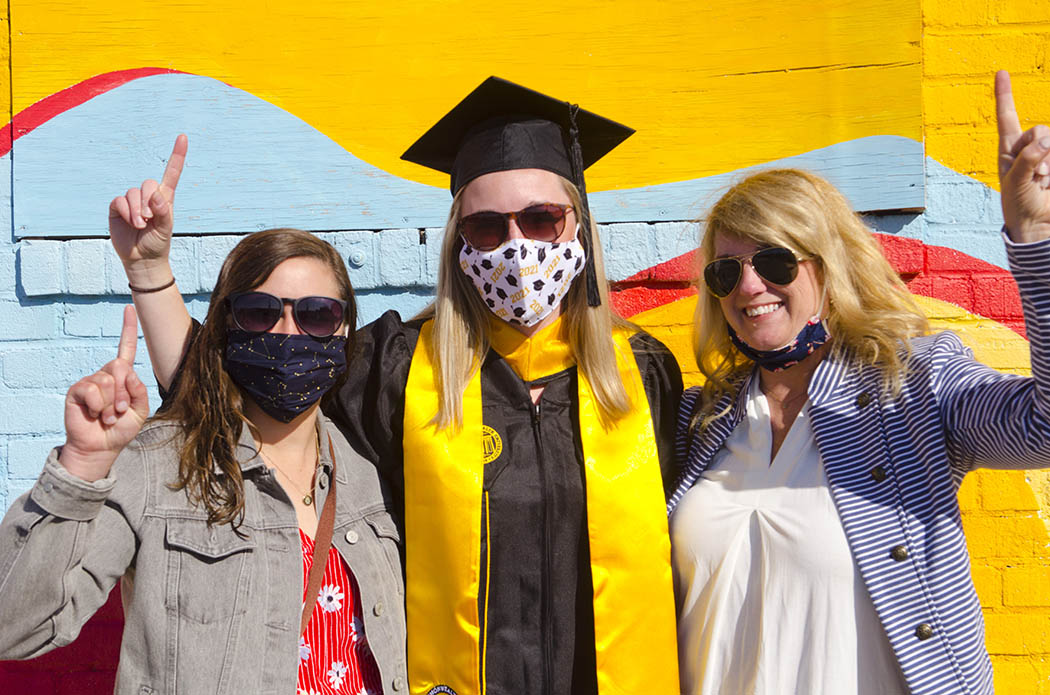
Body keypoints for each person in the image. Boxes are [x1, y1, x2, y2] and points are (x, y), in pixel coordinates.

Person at [116, 77, 682, 695]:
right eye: (488, 226)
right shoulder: (401, 367)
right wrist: (150, 271)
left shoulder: (643, 374)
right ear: (459, 241)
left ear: (578, 227)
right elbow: (220, 377)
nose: (516, 246)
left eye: (542, 219)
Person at [667, 70, 1050, 695]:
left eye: (773, 262)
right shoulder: (700, 419)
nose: (749, 287)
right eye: (725, 271)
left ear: (829, 267)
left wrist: (1035, 246)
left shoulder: (912, 387)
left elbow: (1045, 427)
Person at [0, 224, 407, 694]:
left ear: (344, 330)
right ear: (226, 325)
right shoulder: (160, 465)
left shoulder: (368, 467)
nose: (288, 332)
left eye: (317, 314)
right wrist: (80, 466)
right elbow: (15, 624)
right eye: (260, 312)